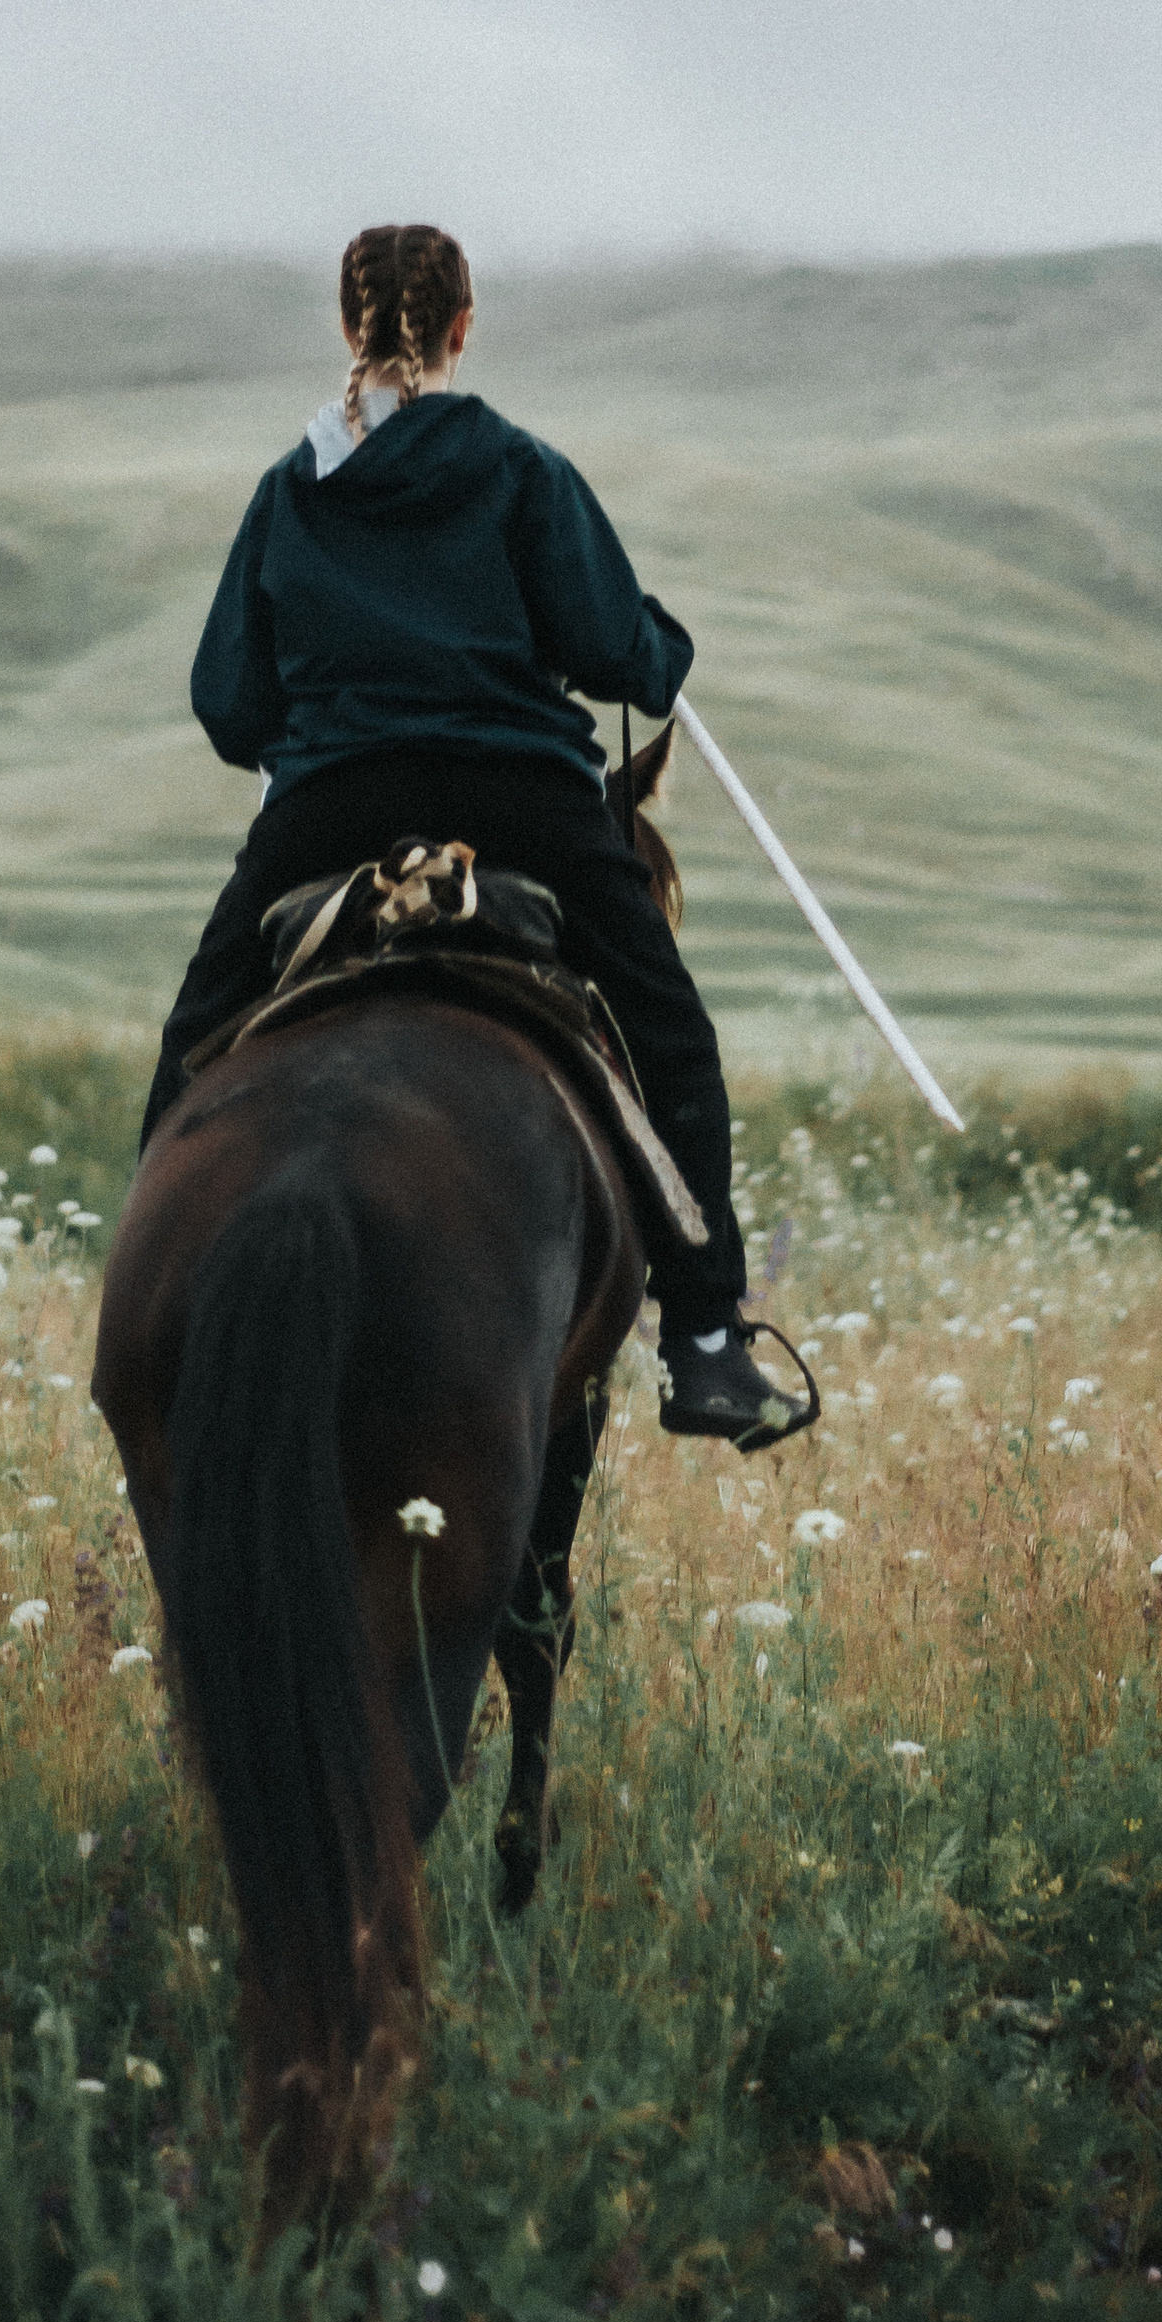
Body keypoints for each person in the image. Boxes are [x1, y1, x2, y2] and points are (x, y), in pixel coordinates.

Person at [140, 220, 795, 1443]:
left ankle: (157, 1321)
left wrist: (327, 719)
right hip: (520, 804)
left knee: (193, 1043)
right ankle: (706, 1342)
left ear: (347, 328)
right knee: (665, 1030)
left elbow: (228, 705)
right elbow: (619, 658)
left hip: (332, 801)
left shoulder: (292, 491)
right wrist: (661, 645)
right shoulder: (520, 470)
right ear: (461, 327)